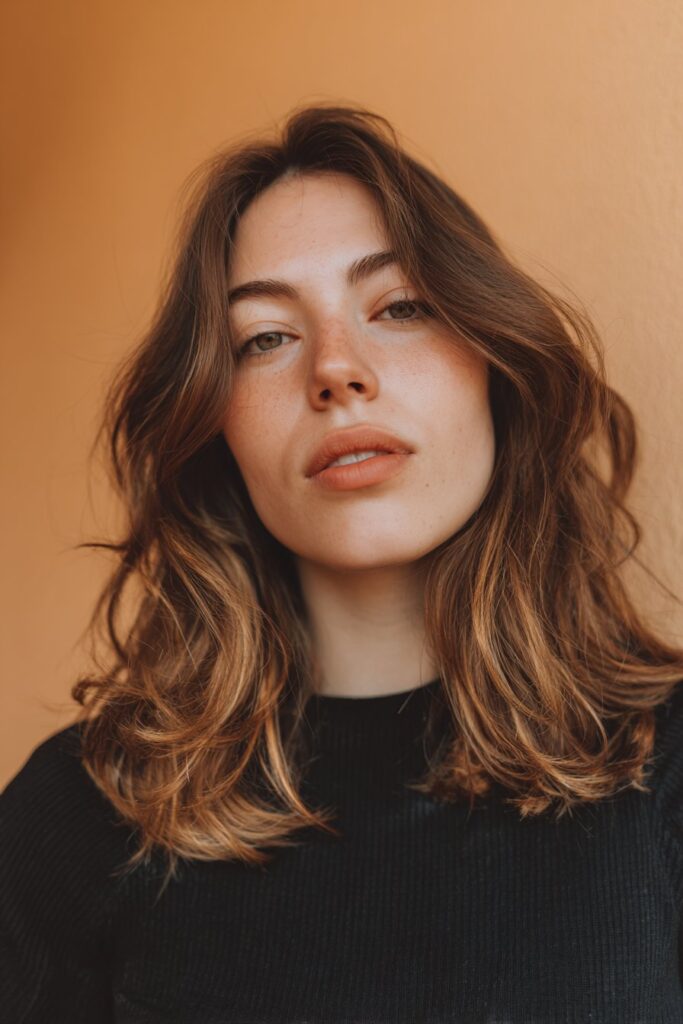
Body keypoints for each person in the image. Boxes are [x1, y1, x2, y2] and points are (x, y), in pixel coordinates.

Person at [2, 102, 683, 1023]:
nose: (335, 368)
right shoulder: (82, 813)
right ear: (215, 429)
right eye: (265, 339)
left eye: (400, 306)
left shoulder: (666, 768)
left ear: (495, 362)